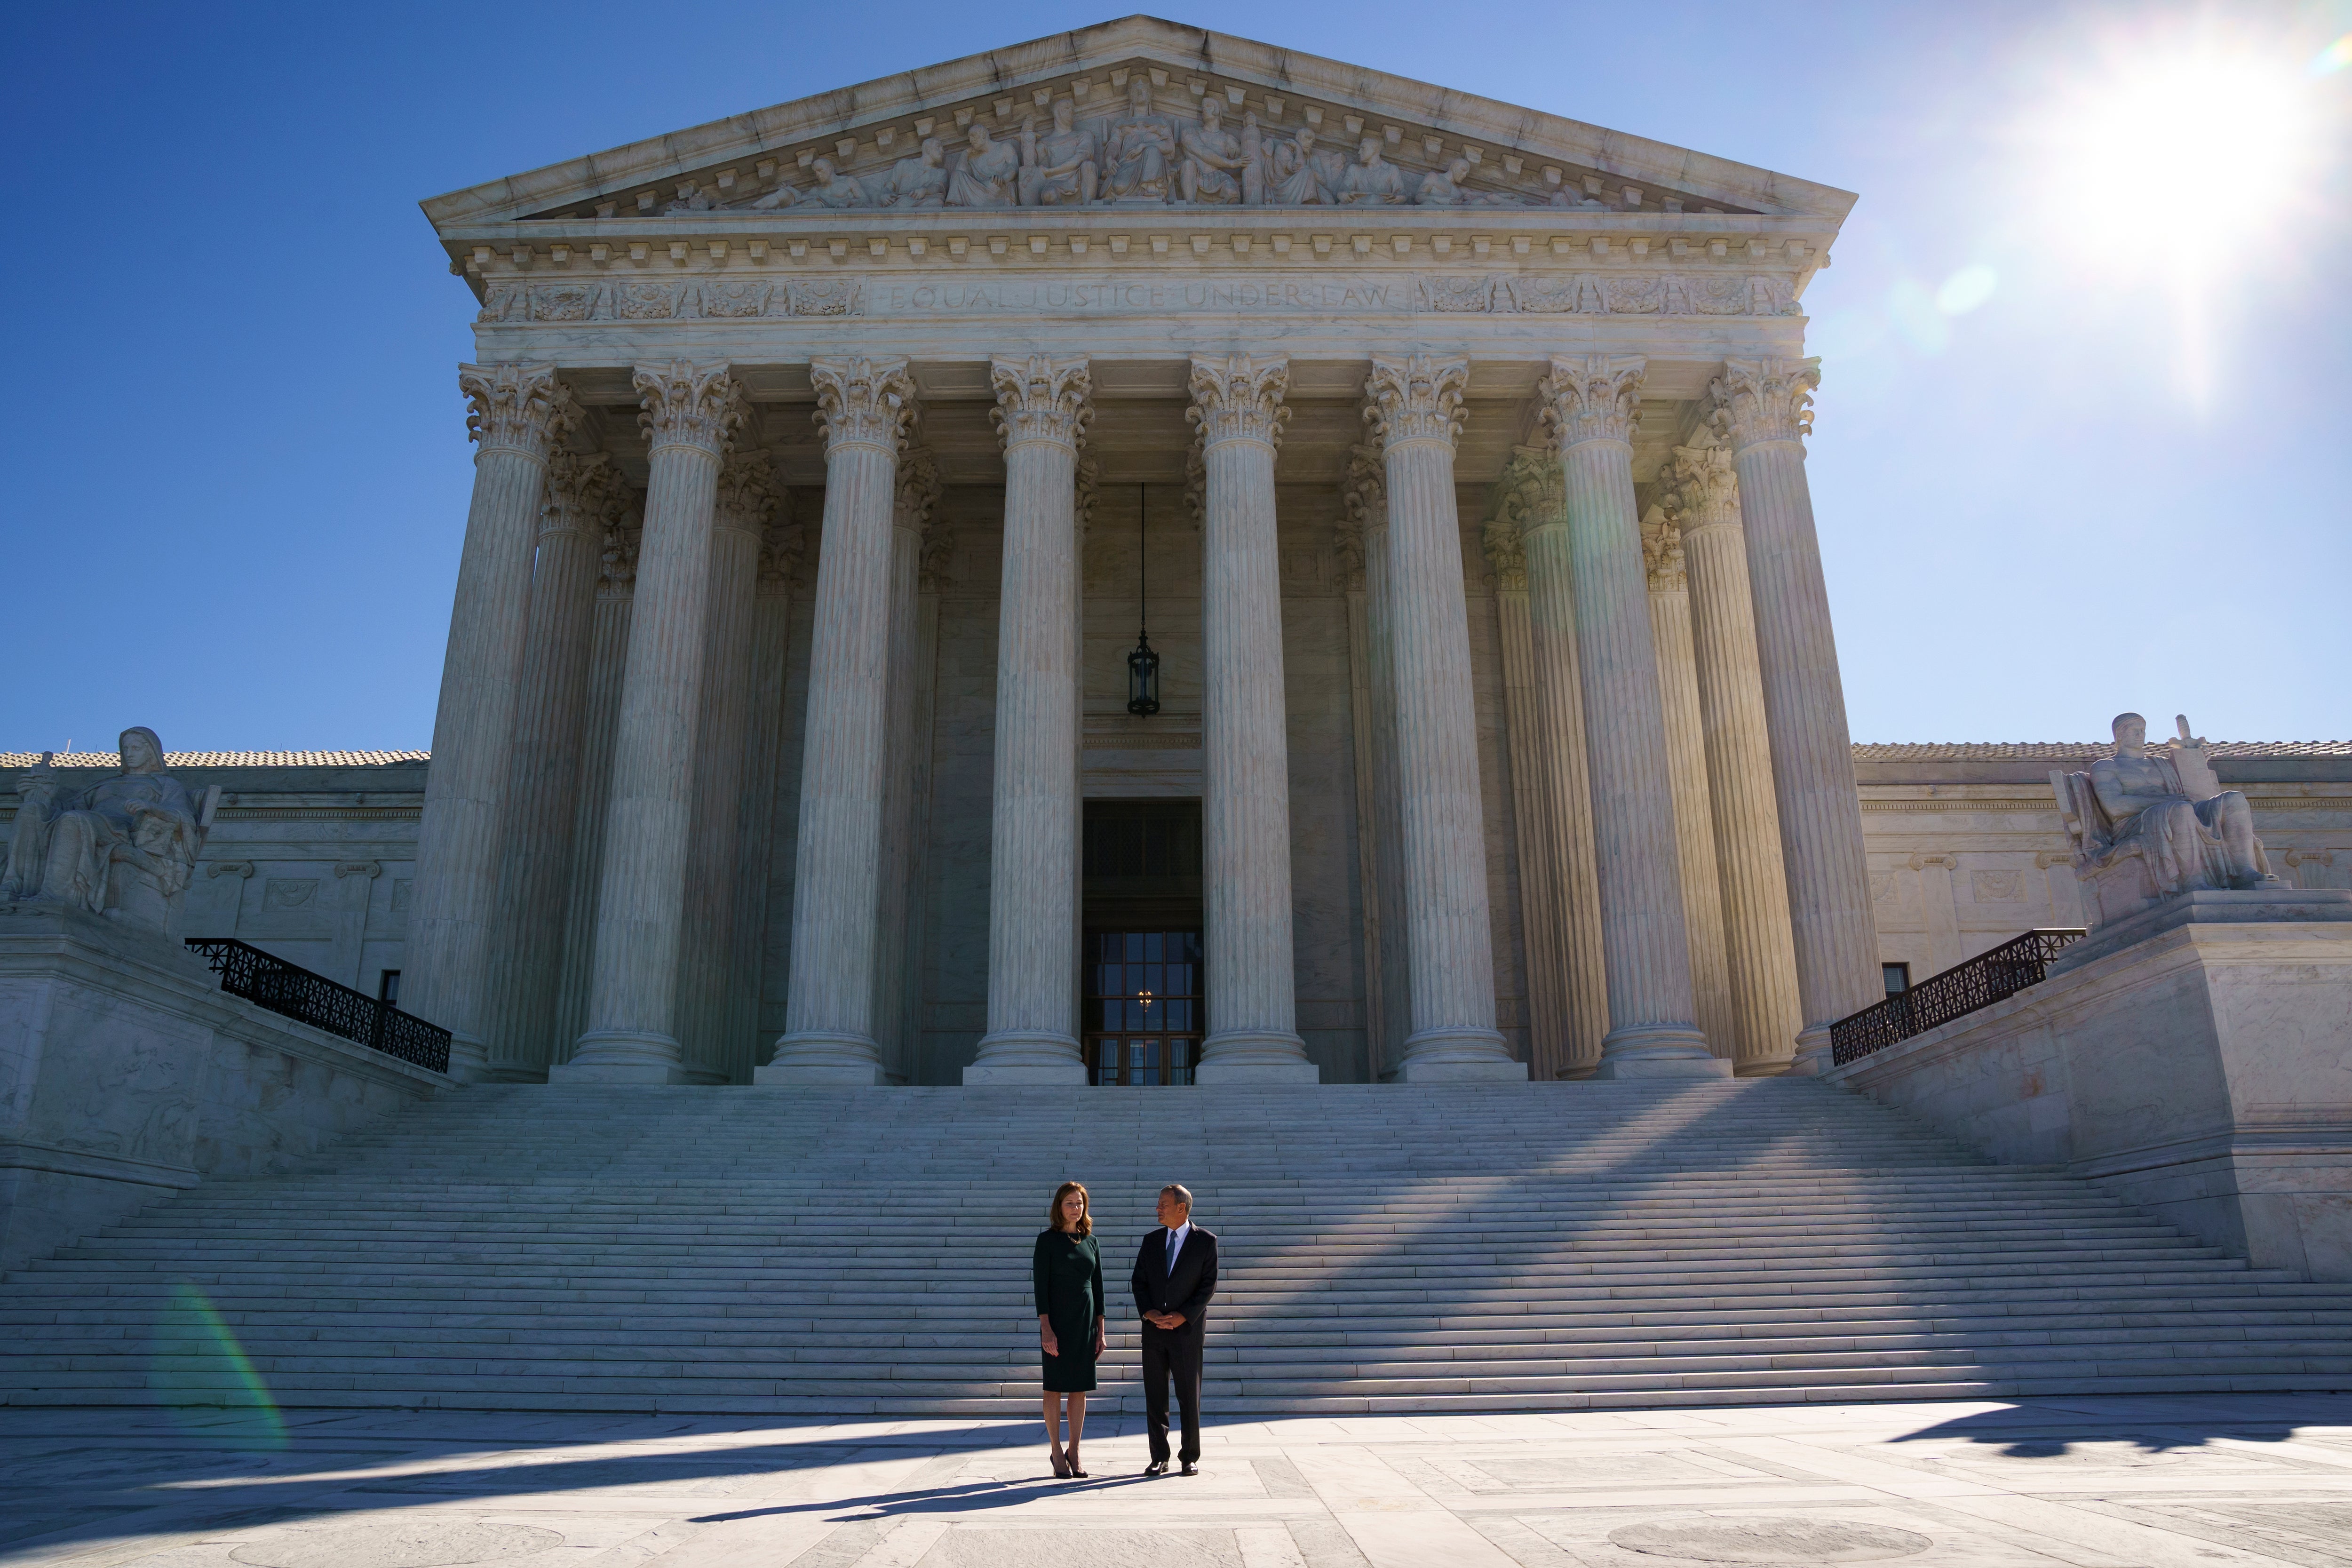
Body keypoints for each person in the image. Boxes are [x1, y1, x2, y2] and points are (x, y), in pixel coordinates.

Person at [1130, 1182, 1217, 1476]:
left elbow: (1208, 1286)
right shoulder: (1151, 1241)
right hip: (1154, 1330)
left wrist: (1184, 1316)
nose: (1158, 1209)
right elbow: (1139, 1281)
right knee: (1155, 1396)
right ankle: (1159, 1456)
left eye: (1163, 1205)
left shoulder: (1205, 1241)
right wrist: (1148, 1312)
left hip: (1186, 1332)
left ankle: (1189, 1456)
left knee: (1188, 1396)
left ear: (1181, 1208)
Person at [1033, 1180, 1105, 1479]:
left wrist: (1101, 1330)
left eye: (1080, 1203)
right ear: (1059, 1207)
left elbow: (1098, 1287)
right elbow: (1041, 1287)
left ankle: (1074, 1451)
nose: (1076, 1208)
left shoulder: (1091, 1240)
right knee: (1054, 1386)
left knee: (1080, 1387)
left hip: (1085, 1322)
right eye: (1070, 1203)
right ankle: (1056, 1450)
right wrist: (1046, 1328)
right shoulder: (1046, 1241)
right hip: (1058, 1321)